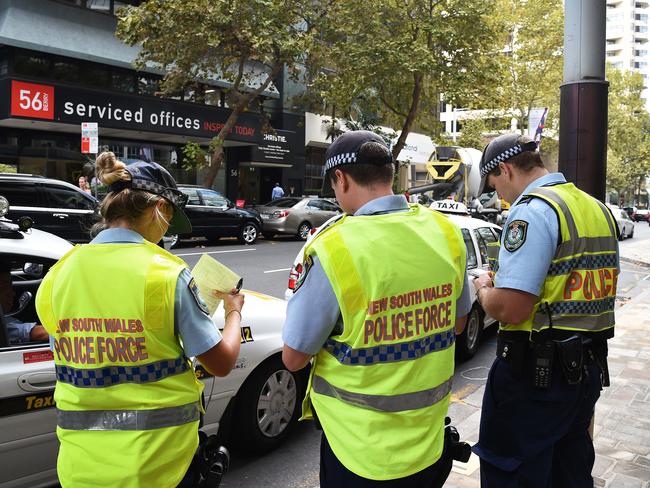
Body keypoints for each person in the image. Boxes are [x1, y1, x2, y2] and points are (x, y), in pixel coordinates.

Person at [35, 152, 245, 488]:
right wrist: (234, 311)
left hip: (81, 467)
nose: (166, 232)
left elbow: (72, 353)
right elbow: (221, 363)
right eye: (170, 219)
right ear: (159, 208)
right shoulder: (166, 274)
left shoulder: (59, 274)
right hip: (160, 465)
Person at [282, 131, 471, 487]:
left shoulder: (333, 247)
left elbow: (294, 358)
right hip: (428, 444)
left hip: (358, 452)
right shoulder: (445, 232)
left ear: (340, 178)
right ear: (388, 173)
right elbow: (459, 324)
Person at [471, 134, 619, 487]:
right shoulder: (594, 208)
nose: (499, 197)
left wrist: (484, 291)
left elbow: (511, 308)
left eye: (494, 186)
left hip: (534, 379)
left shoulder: (533, 211)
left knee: (514, 472)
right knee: (569, 472)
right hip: (584, 373)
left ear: (505, 170)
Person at [0, 265, 48, 344]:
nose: (12, 294)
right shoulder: (5, 325)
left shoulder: (6, 318)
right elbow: (39, 334)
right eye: (4, 288)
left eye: (10, 287)